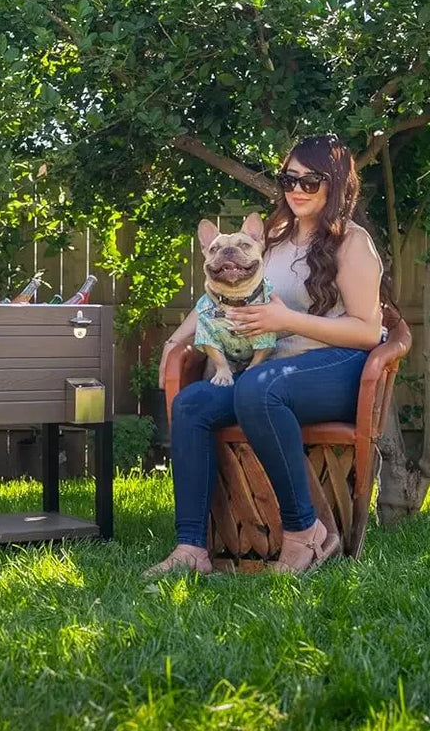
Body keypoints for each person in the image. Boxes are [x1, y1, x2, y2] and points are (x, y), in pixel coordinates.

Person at [145, 134, 386, 577]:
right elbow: (219, 298)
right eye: (288, 178)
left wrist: (286, 322)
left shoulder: (353, 243)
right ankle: (192, 548)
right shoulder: (271, 238)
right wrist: (176, 341)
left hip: (338, 364)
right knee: (193, 403)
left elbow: (369, 331)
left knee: (259, 387)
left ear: (335, 184)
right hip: (272, 371)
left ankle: (305, 532)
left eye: (311, 180)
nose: (297, 189)